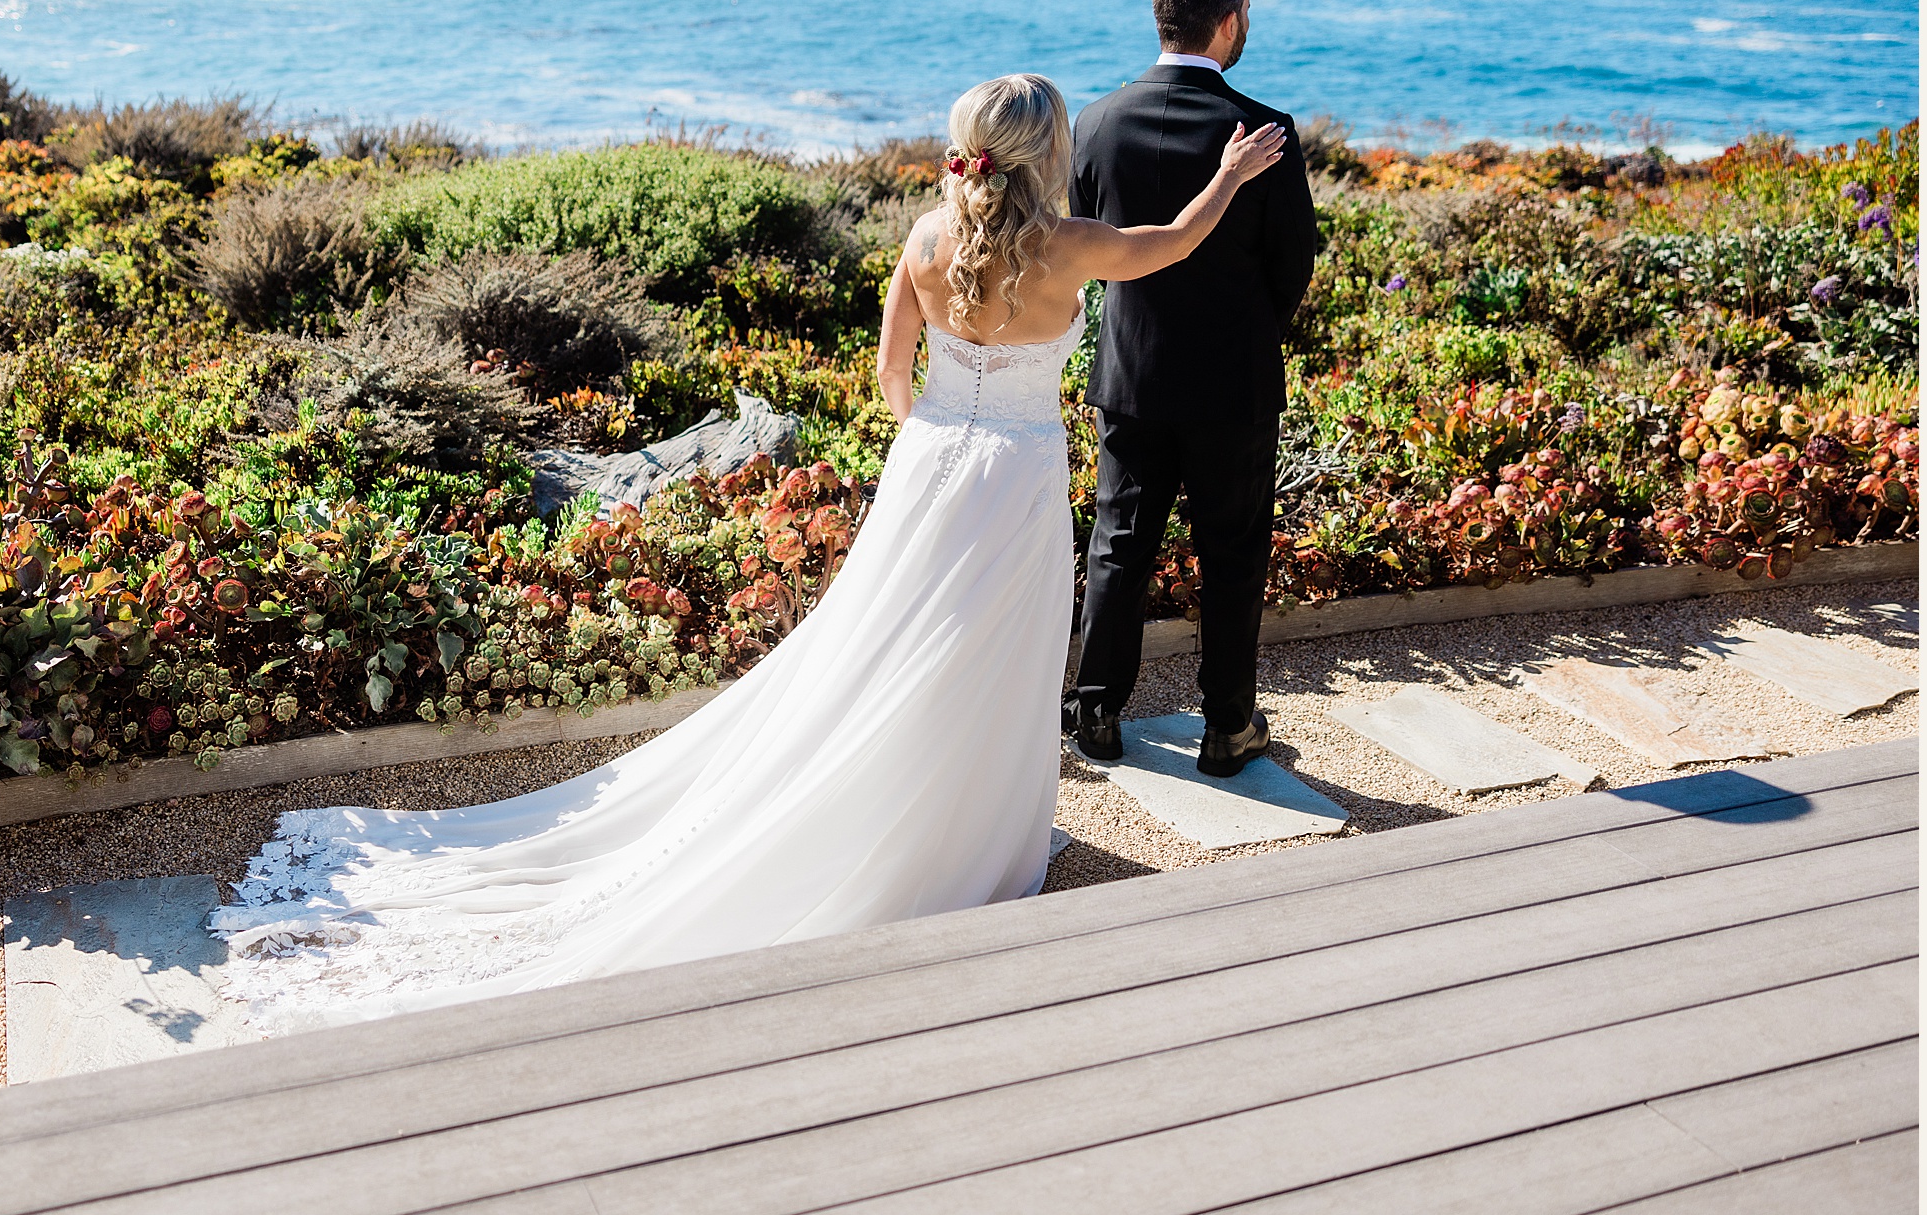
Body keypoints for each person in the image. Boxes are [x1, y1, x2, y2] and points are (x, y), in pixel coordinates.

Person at [207, 74, 1284, 1035]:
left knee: (880, 647)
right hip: (1013, 477)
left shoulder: (921, 240)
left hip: (931, 468)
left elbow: (888, 376)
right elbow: (1174, 245)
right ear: (1048, 155)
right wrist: (1230, 172)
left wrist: (931, 444)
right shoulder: (1067, 246)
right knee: (987, 655)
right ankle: (972, 842)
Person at [1065, 0, 1320, 779]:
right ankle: (1228, 727)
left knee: (1118, 544)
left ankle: (1096, 711)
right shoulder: (1266, 133)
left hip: (1131, 376)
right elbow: (1293, 266)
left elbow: (1089, 245)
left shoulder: (1094, 123)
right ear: (1229, 20)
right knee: (1233, 552)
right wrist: (1250, 330)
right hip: (1233, 383)